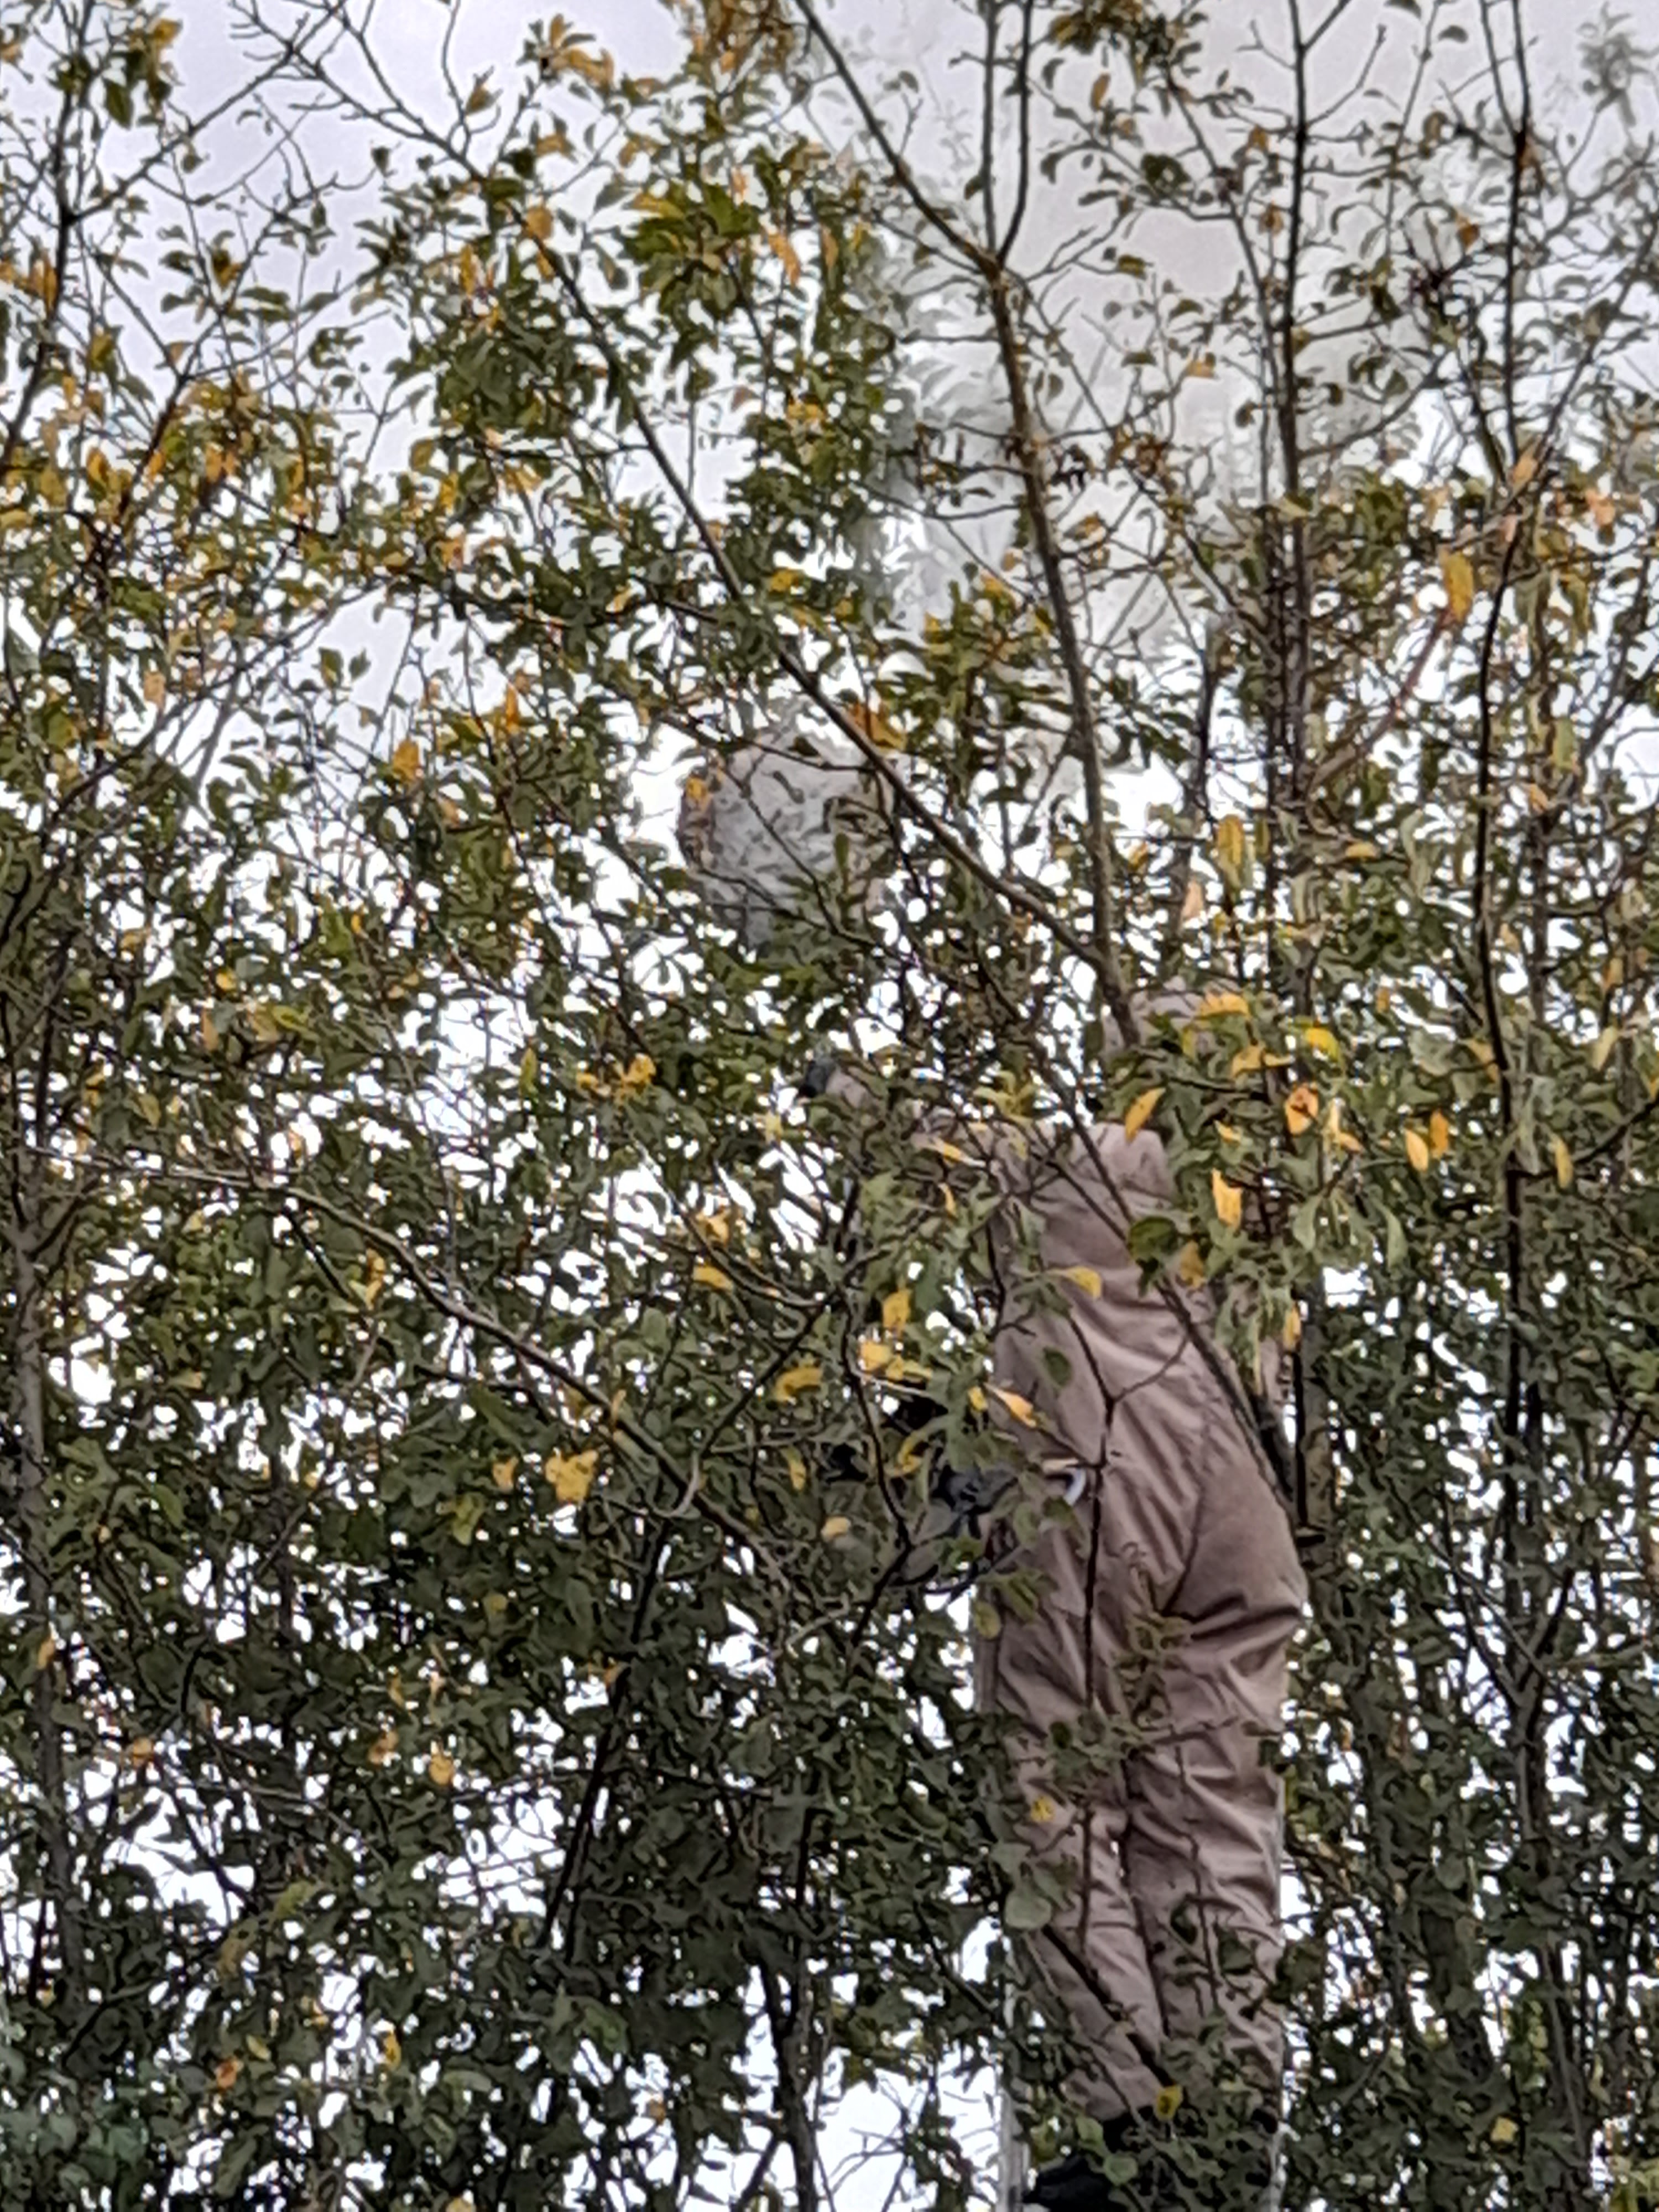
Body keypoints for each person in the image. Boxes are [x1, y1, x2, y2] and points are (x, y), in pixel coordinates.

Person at [679, 750, 1306, 2210]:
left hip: (1105, 1486)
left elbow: (922, 1142)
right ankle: (1230, 2120)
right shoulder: (1264, 1223)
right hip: (1249, 1526)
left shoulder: (1092, 1168)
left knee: (1056, 1779)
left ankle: (1118, 2125)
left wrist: (819, 1053)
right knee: (1212, 1803)